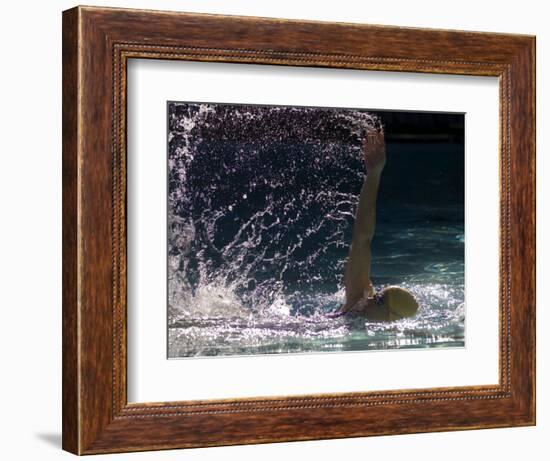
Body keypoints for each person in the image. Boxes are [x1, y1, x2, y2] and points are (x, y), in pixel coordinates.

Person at [328, 128, 419, 321]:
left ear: (391, 318)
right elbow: (362, 238)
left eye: (378, 301)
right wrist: (373, 174)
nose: (370, 299)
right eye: (377, 296)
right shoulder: (356, 304)